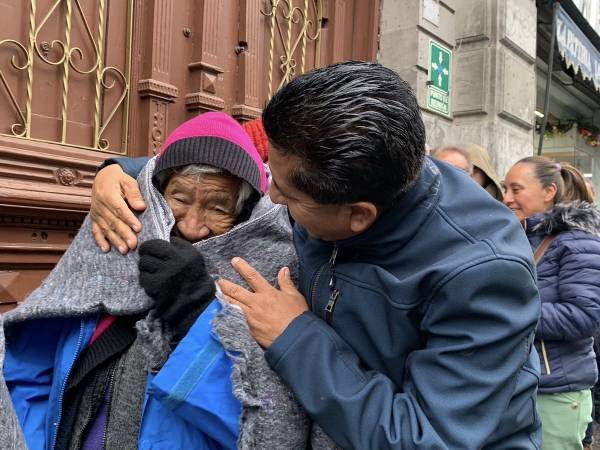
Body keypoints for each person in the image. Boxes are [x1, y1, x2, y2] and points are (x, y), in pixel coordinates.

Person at [86, 61, 542, 449]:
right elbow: (223, 150)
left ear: (357, 216)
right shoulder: (335, 158)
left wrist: (296, 335)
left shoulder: (484, 273)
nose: (271, 195)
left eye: (286, 192)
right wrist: (119, 174)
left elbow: (422, 437)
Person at [0, 112, 328, 449]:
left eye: (218, 208)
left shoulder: (273, 277)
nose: (192, 226)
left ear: (245, 214)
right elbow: (32, 374)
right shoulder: (112, 248)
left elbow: (270, 428)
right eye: (180, 199)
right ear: (156, 194)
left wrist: (196, 312)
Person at [504, 156, 600, 450]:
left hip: (557, 394)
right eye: (503, 188)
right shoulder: (517, 236)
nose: (506, 198)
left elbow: (584, 317)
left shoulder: (578, 242)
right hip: (520, 388)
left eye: (516, 189)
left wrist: (510, 315)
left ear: (549, 192)